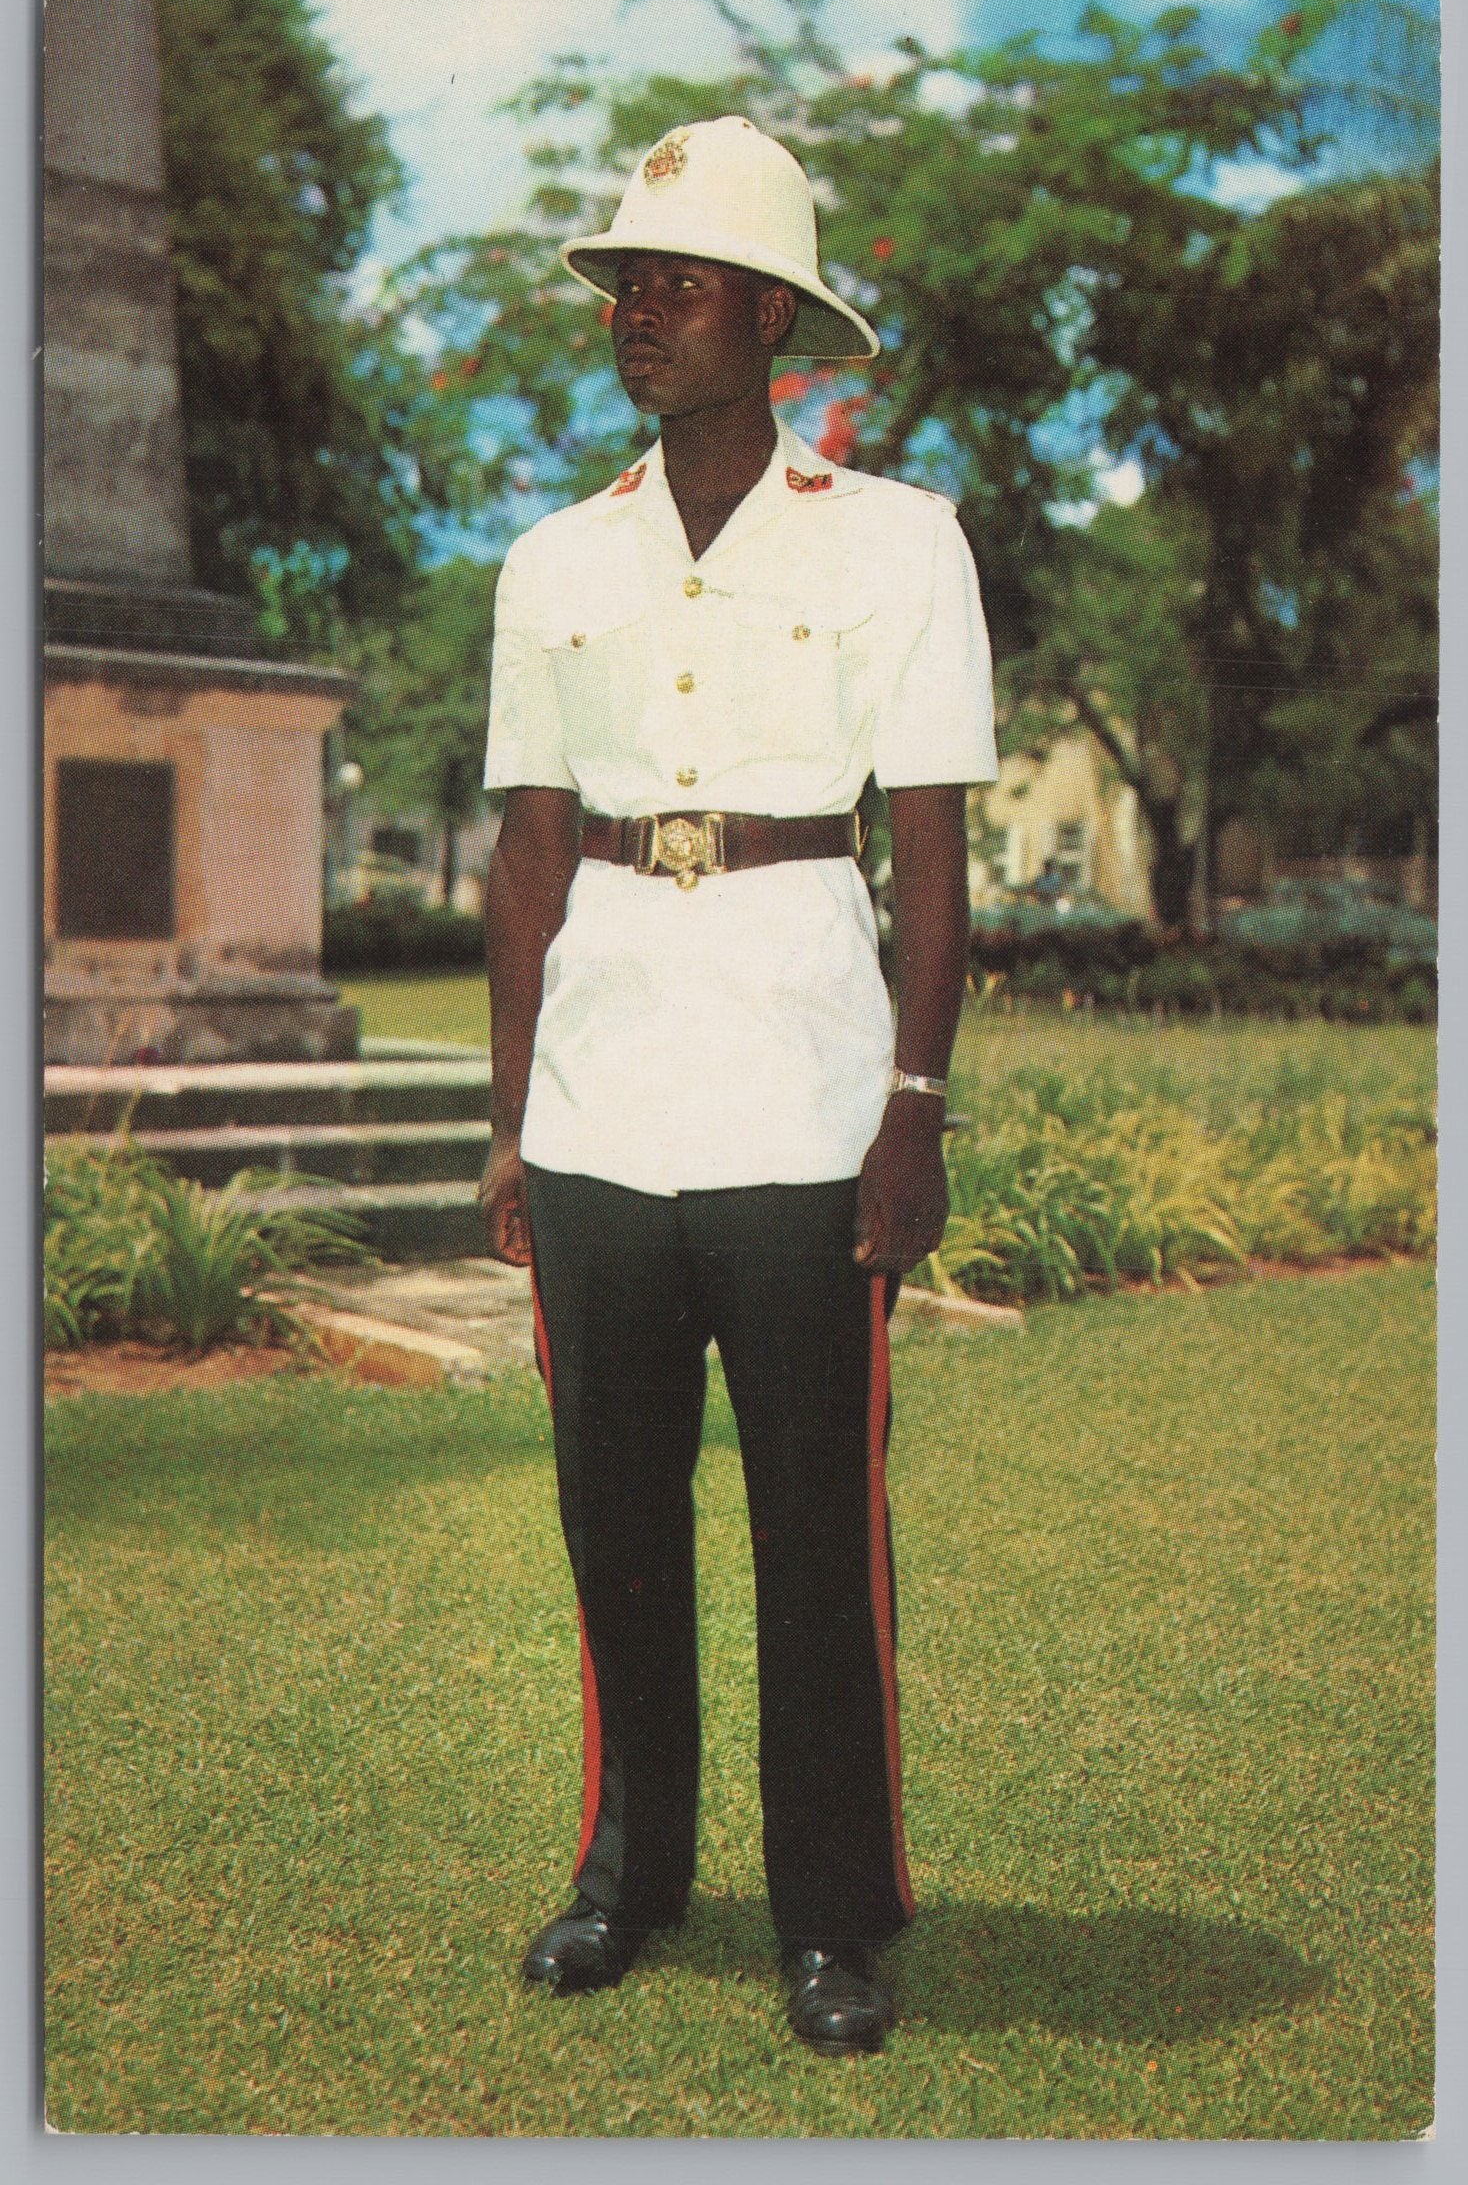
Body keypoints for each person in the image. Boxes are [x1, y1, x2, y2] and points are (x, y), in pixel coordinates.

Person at [479, 116, 997, 2056]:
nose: (636, 309)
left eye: (676, 279)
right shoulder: (551, 559)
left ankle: (833, 1914)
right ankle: (630, 1872)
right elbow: (529, 853)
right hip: (604, 1094)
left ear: (771, 312)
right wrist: (510, 1120)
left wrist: (913, 1104)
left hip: (800, 1087)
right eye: (624, 279)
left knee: (811, 1530)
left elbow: (928, 859)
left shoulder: (898, 542)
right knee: (609, 1512)